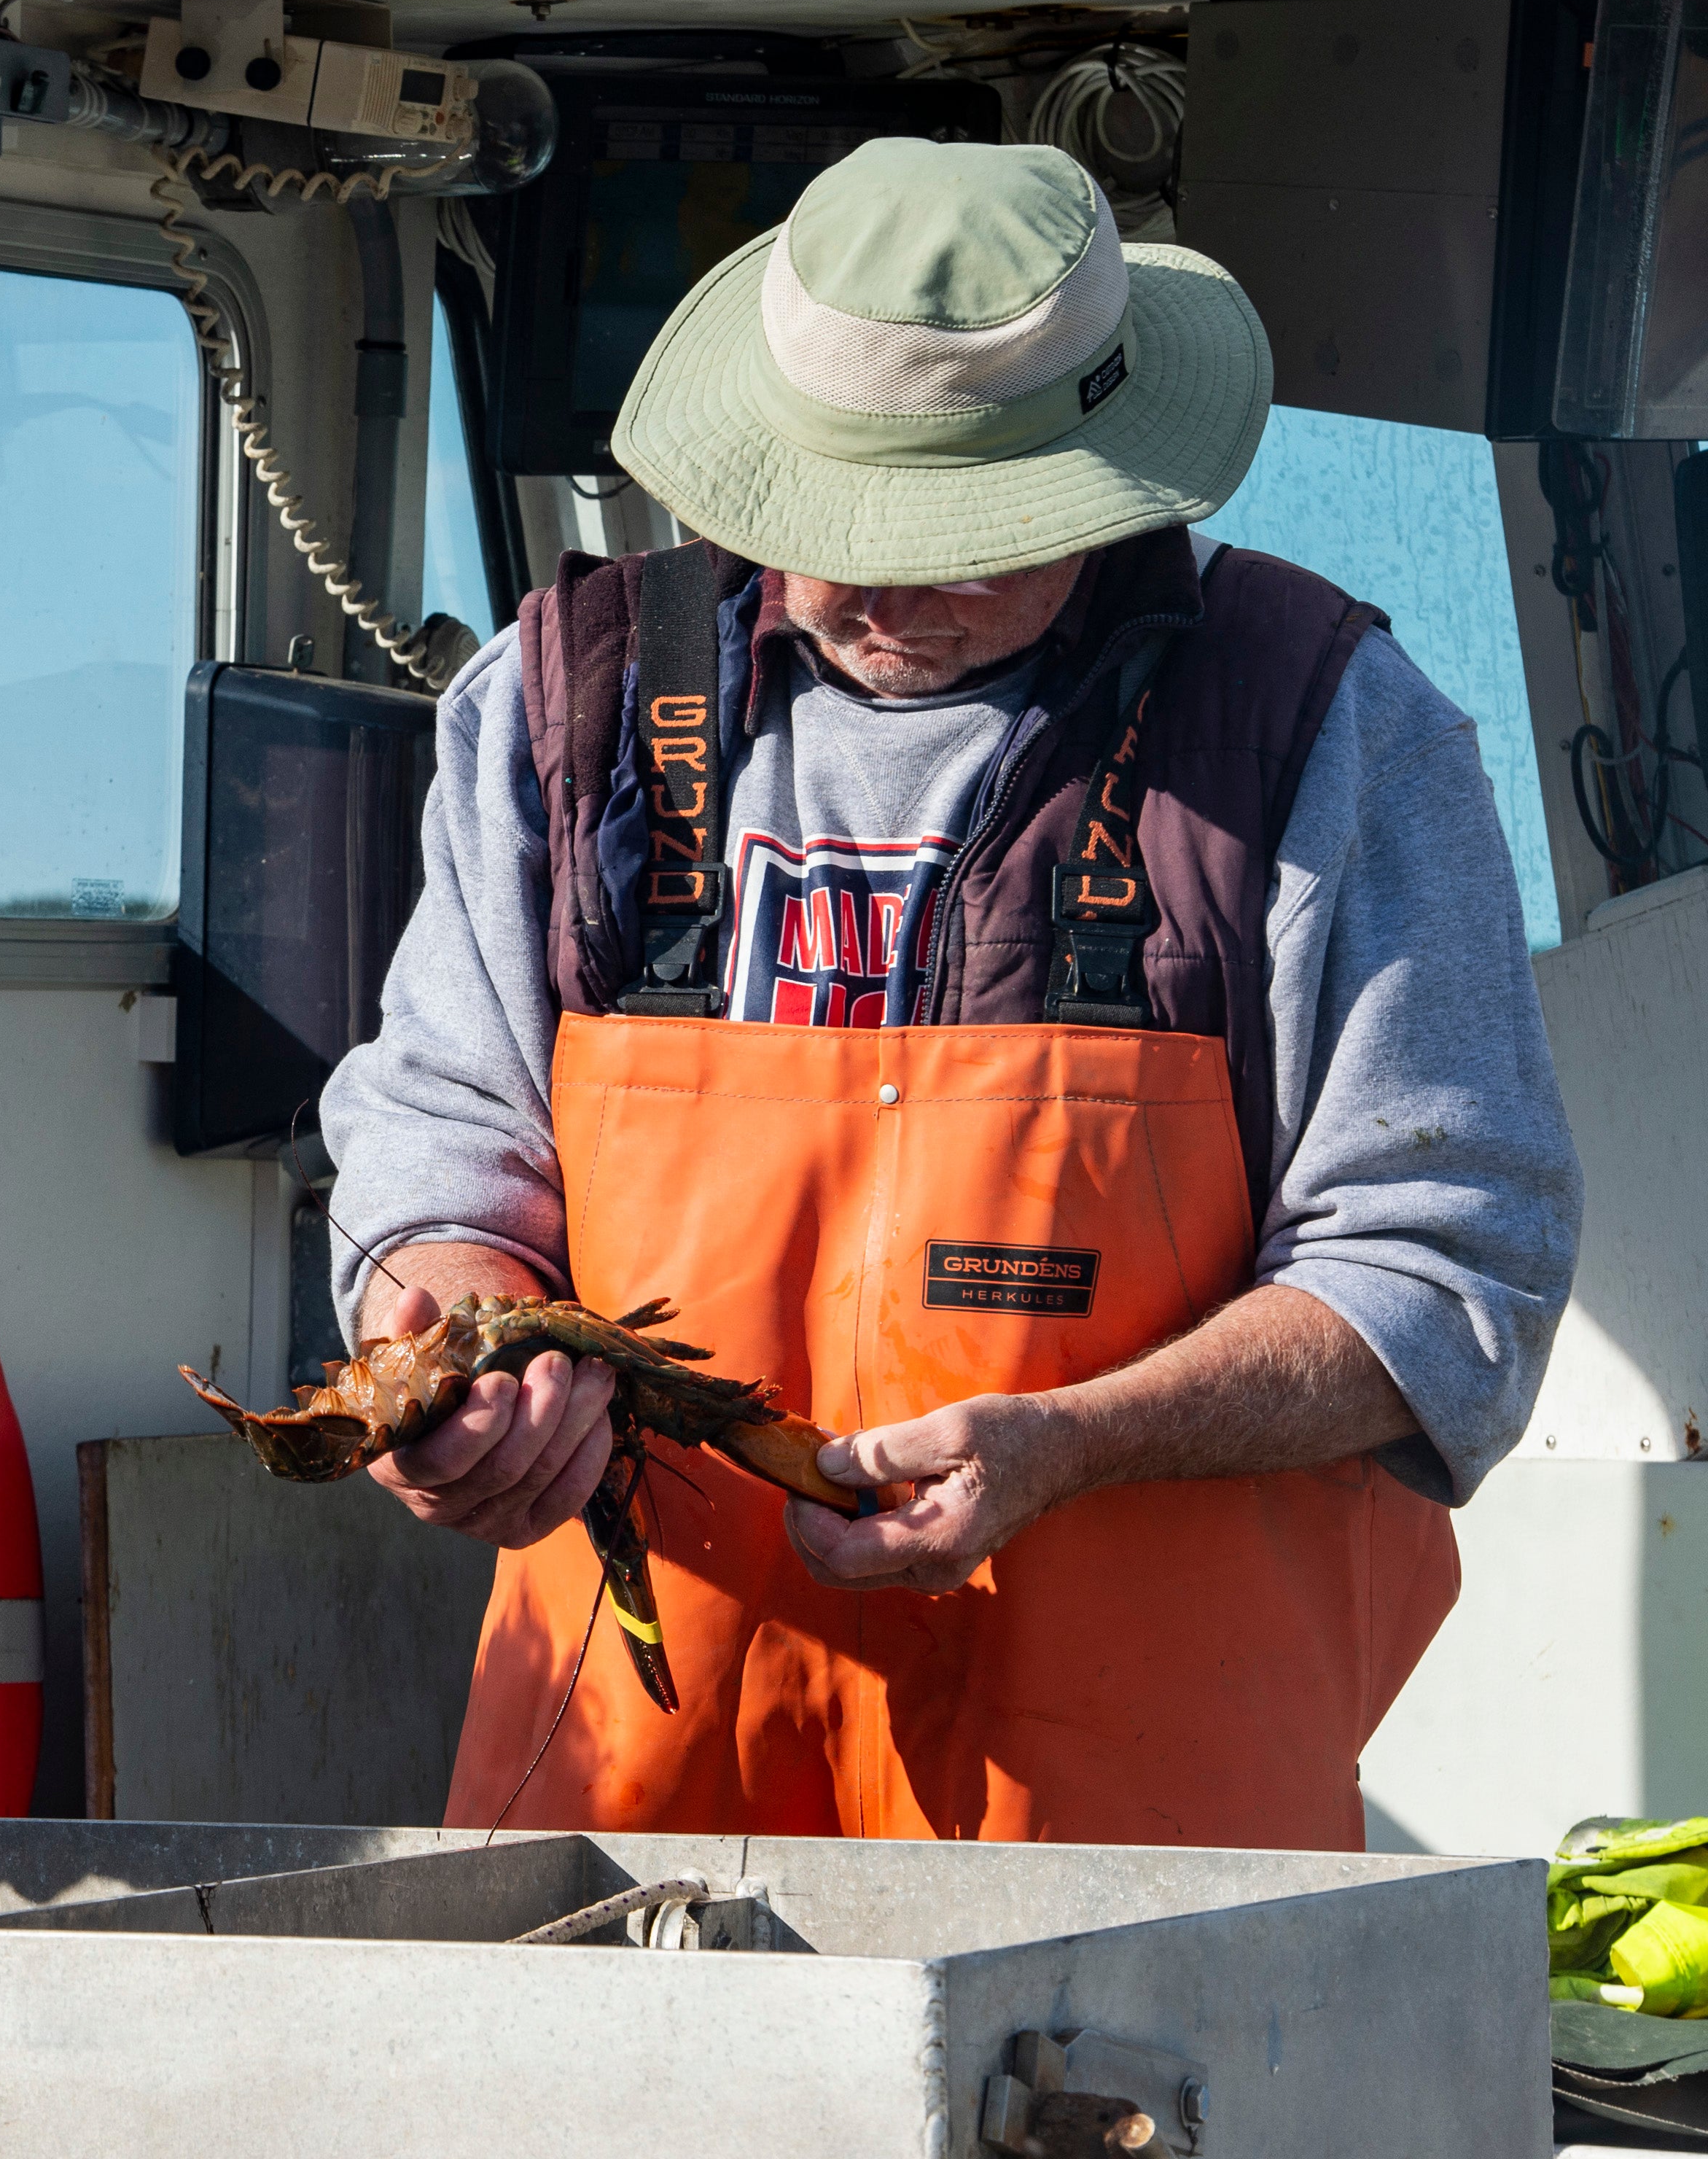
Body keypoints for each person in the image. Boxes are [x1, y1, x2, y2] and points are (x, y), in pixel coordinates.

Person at [325, 140, 1580, 1848]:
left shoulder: (1330, 727)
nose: (881, 586)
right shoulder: (558, 704)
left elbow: (1449, 1266)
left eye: (962, 530)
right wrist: (449, 1333)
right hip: (637, 1808)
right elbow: (438, 1132)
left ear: (1110, 472)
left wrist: (1072, 1437)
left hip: (1136, 1833)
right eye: (830, 522)